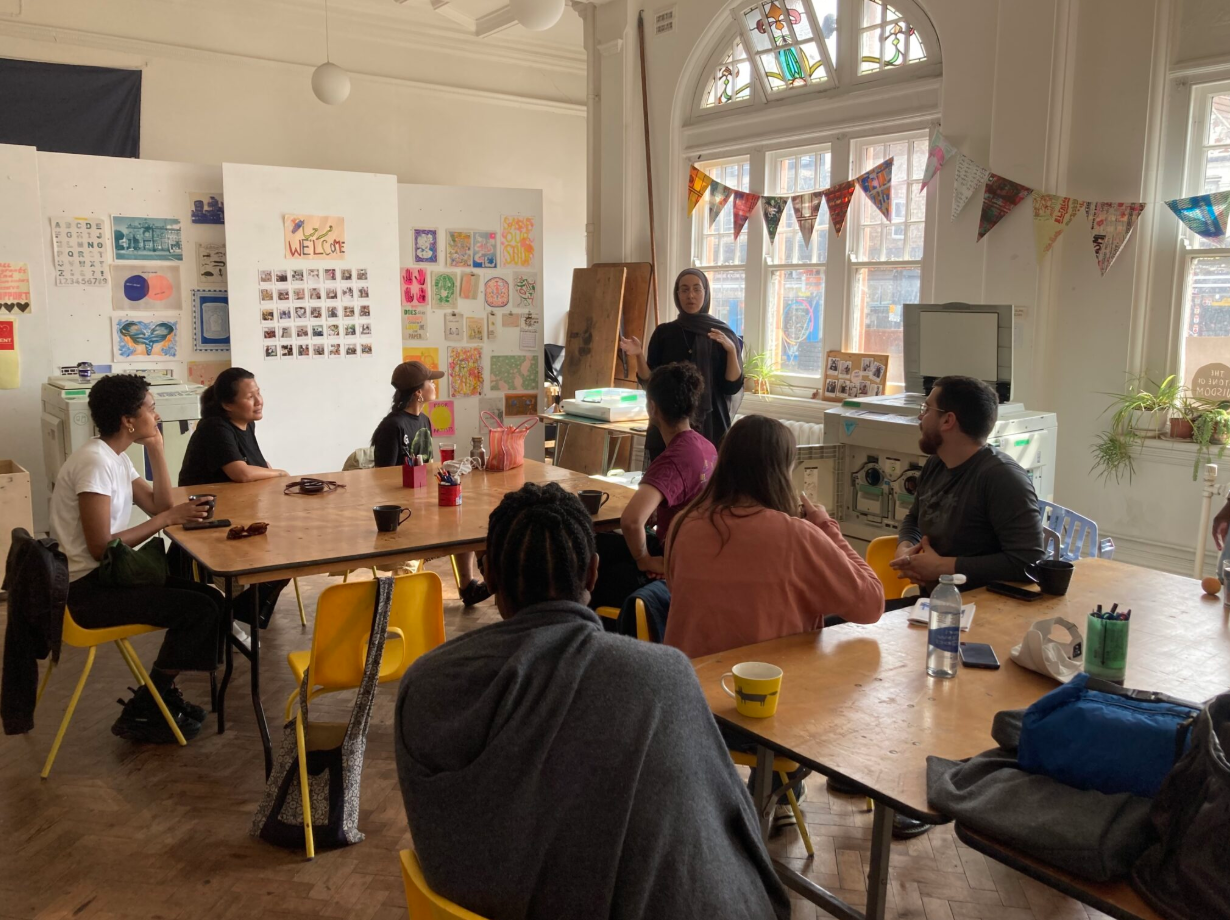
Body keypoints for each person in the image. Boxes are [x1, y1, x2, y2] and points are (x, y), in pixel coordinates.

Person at [394, 483, 790, 920]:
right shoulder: (661, 679)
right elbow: (721, 833)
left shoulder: (425, 686)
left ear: (489, 576)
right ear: (592, 575)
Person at [48, 374, 223, 743]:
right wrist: (166, 520)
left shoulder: (115, 457)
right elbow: (102, 546)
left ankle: (158, 696)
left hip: (108, 577)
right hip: (87, 592)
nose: (156, 415)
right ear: (129, 420)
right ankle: (149, 703)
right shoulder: (94, 463)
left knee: (209, 597)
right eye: (151, 408)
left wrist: (157, 449)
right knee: (201, 610)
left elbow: (159, 504)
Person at [664, 414, 884, 658]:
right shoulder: (797, 535)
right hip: (765, 686)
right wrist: (826, 526)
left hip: (690, 684)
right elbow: (872, 605)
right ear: (781, 473)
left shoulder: (683, 524)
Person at [890, 375, 1045, 591]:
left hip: (983, 611)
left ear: (948, 420)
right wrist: (905, 550)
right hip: (933, 603)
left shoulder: (1003, 478)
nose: (920, 417)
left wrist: (943, 567)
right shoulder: (936, 464)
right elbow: (914, 518)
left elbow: (1029, 562)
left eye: (926, 409)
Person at [588, 362, 716, 620]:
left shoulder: (672, 460)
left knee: (592, 558)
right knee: (604, 545)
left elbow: (632, 521)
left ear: (653, 407)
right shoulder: (706, 446)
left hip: (674, 561)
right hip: (696, 555)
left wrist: (644, 559)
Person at [178, 368, 289, 629]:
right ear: (228, 404)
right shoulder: (215, 428)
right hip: (210, 518)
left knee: (288, 548)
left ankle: (245, 609)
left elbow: (256, 464)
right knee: (282, 551)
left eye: (258, 393)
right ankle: (240, 609)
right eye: (250, 397)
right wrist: (281, 473)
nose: (259, 400)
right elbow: (240, 472)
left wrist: (274, 473)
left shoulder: (245, 424)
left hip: (239, 510)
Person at [372, 360, 488, 607]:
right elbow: (382, 478)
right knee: (455, 520)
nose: (434, 385)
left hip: (426, 501)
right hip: (406, 510)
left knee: (466, 516)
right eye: (430, 382)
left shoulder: (424, 420)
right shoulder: (391, 427)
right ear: (418, 392)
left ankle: (470, 586)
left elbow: (428, 465)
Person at [619, 269, 743, 462]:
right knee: (667, 483)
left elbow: (732, 386)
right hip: (668, 423)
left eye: (696, 289)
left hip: (711, 425)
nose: (690, 295)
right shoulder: (664, 333)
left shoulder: (721, 334)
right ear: (677, 295)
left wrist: (732, 352)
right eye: (684, 290)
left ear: (706, 293)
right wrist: (639, 355)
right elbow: (649, 382)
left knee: (706, 487)